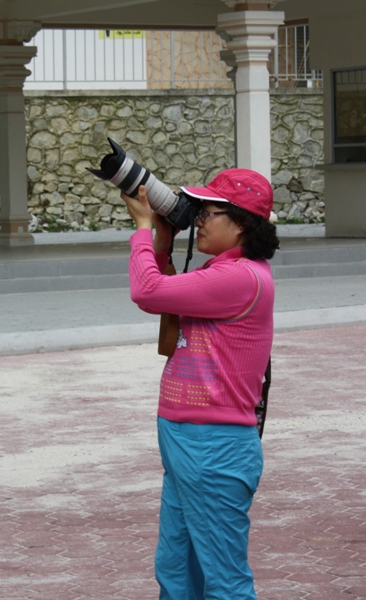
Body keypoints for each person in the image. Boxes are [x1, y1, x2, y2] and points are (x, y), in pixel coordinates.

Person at [121, 168, 280, 600]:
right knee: (176, 571)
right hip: (188, 443)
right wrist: (165, 239)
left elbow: (147, 291)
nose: (200, 220)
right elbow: (165, 295)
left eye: (209, 212)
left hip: (214, 446)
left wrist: (141, 226)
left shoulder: (240, 277)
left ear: (243, 223)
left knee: (223, 582)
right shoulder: (223, 271)